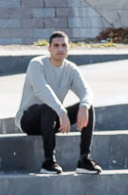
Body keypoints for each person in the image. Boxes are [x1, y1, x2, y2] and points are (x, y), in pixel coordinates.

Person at [17, 32, 101, 175]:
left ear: (68, 48)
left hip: (52, 120)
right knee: (48, 108)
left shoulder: (71, 68)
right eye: (56, 45)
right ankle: (48, 162)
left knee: (87, 107)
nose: (60, 49)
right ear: (49, 48)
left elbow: (86, 91)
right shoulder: (37, 64)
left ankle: (84, 160)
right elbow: (42, 90)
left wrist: (84, 106)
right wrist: (61, 111)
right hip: (29, 120)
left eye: (64, 45)